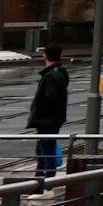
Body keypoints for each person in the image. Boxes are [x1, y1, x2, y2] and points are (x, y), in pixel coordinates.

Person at [28, 45, 70, 178]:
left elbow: (50, 98)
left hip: (47, 120)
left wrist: (38, 113)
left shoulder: (52, 75)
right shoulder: (59, 72)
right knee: (43, 149)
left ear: (45, 55)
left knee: (45, 150)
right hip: (52, 119)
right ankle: (40, 178)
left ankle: (47, 180)